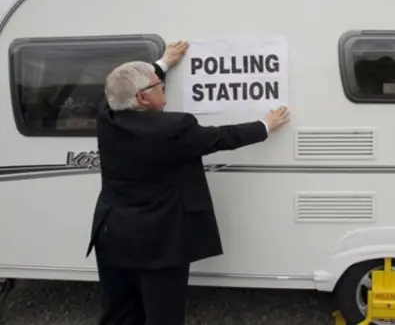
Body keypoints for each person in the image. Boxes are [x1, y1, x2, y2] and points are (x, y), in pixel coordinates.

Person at [85, 40, 290, 325]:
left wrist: (164, 62)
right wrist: (265, 126)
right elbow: (221, 137)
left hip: (112, 235)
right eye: (159, 85)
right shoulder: (172, 129)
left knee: (118, 313)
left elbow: (123, 88)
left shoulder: (107, 115)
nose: (163, 88)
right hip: (158, 244)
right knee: (163, 316)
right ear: (143, 99)